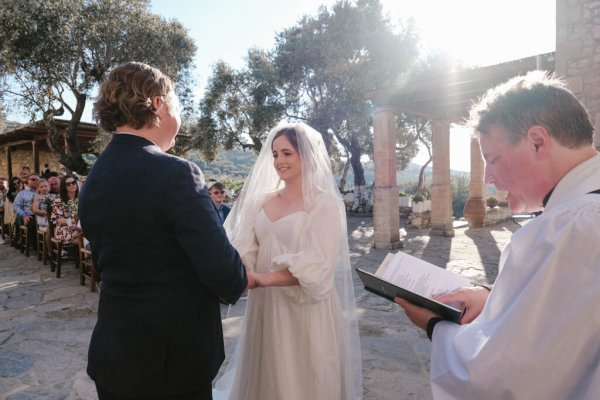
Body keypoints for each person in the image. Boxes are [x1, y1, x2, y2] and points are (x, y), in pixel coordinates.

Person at [395, 71, 600, 399]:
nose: (488, 177)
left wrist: (435, 325)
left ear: (537, 141)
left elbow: (505, 378)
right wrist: (494, 298)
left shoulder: (567, 229)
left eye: (493, 159)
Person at [79, 61, 247, 400]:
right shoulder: (177, 174)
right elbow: (223, 272)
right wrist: (242, 274)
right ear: (158, 103)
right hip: (171, 363)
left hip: (115, 351)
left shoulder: (93, 178)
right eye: (177, 105)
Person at [214, 123, 362, 400]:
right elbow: (244, 248)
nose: (279, 161)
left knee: (304, 376)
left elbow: (318, 264)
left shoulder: (325, 203)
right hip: (266, 305)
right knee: (268, 373)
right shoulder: (261, 201)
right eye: (275, 154)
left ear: (306, 155)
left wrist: (262, 279)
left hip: (305, 306)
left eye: (287, 153)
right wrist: (240, 271)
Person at [50, 175, 80, 244]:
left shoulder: (81, 198)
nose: (71, 185)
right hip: (65, 228)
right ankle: (84, 252)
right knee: (83, 237)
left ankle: (86, 253)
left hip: (80, 225)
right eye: (68, 184)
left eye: (73, 182)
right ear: (64, 187)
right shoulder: (59, 200)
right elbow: (59, 220)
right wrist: (75, 221)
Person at [12, 173, 39, 249]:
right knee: (32, 223)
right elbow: (15, 206)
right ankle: (35, 245)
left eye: (37, 179)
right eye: (33, 179)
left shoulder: (43, 192)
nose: (35, 181)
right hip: (29, 215)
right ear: (28, 181)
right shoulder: (22, 193)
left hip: (42, 215)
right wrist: (24, 215)